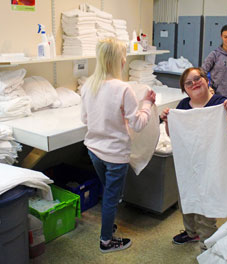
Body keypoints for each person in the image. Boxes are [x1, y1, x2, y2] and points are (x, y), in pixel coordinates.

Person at [160, 67, 227, 250]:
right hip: (189, 165)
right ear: (184, 89)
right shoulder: (184, 106)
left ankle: (207, 243)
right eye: (189, 82)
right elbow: (173, 136)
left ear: (206, 80)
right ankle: (192, 233)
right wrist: (169, 121)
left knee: (207, 206)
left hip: (212, 165)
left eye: (198, 78)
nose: (194, 83)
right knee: (187, 201)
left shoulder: (221, 103)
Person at [80, 38, 156, 253]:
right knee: (112, 198)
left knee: (109, 195)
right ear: (119, 61)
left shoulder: (88, 85)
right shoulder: (123, 89)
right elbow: (139, 124)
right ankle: (106, 241)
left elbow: (85, 119)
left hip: (94, 151)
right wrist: (148, 104)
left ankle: (107, 222)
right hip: (115, 155)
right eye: (123, 57)